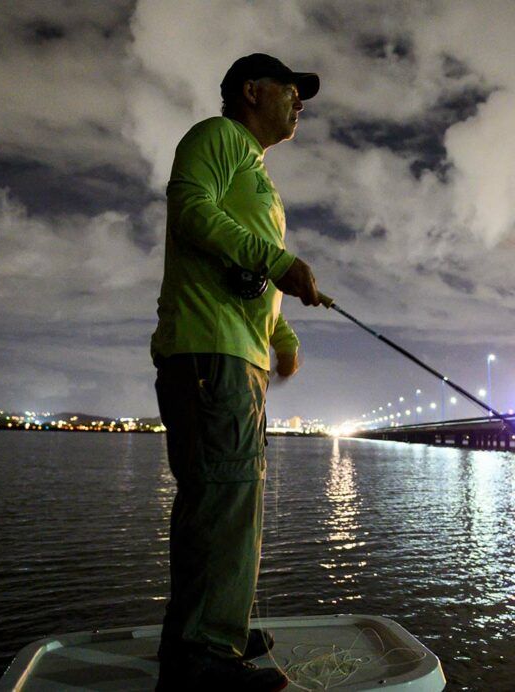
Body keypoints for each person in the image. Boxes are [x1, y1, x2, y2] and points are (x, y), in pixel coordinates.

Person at [150, 53, 322, 691]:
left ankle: (216, 625)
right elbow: (191, 212)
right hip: (208, 349)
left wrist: (283, 334)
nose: (299, 103)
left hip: (238, 355)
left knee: (233, 496)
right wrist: (276, 258)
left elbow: (255, 280)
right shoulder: (216, 137)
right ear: (252, 91)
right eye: (291, 91)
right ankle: (201, 655)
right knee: (222, 495)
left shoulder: (258, 173)